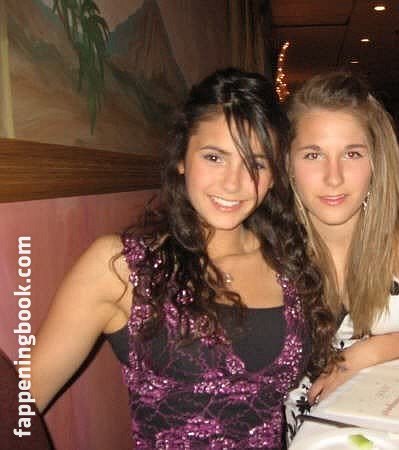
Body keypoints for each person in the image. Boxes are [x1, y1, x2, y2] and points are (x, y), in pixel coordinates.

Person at [28, 68, 338, 449]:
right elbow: (20, 405)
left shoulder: (291, 262)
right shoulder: (123, 267)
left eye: (256, 164)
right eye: (214, 157)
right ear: (181, 158)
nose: (233, 183)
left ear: (274, 175)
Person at [284, 72, 399, 438]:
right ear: (287, 162)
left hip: (391, 423)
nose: (333, 177)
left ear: (377, 162)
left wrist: (363, 354)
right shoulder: (268, 248)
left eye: (352, 153)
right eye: (313, 154)